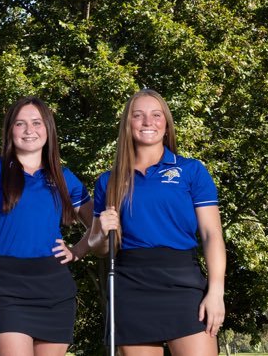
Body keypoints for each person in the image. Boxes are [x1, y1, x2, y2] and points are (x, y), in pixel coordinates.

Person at [87, 89, 225, 356]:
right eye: (138, 116)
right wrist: (102, 232)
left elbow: (211, 235)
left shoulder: (191, 170)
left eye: (155, 115)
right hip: (131, 286)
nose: (147, 122)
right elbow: (101, 248)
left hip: (183, 283)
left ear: (166, 123)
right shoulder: (109, 181)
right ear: (128, 124)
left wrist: (216, 291)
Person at [0, 97, 93, 356]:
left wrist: (78, 250)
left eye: (36, 123)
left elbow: (99, 227)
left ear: (48, 129)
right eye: (20, 123)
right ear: (10, 130)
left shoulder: (63, 176)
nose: (29, 130)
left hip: (55, 289)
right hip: (6, 287)